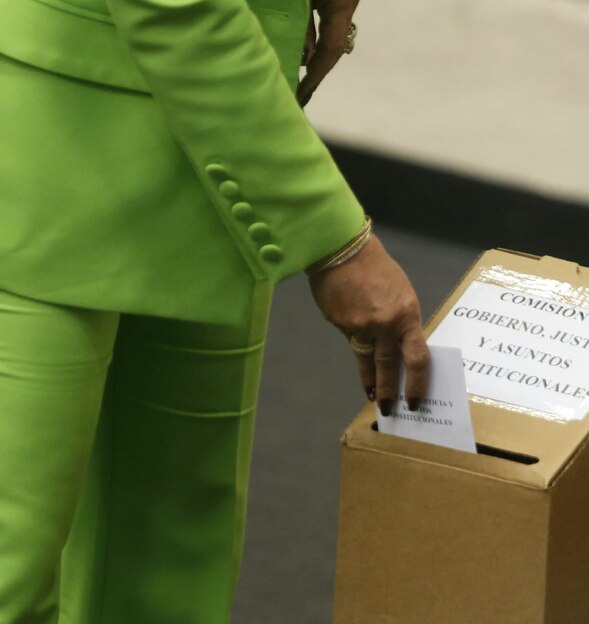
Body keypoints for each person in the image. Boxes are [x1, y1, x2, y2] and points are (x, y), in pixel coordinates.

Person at [0, 0, 430, 621]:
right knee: (12, 567)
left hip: (210, 143)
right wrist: (336, 245)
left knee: (174, 563)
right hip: (43, 143)